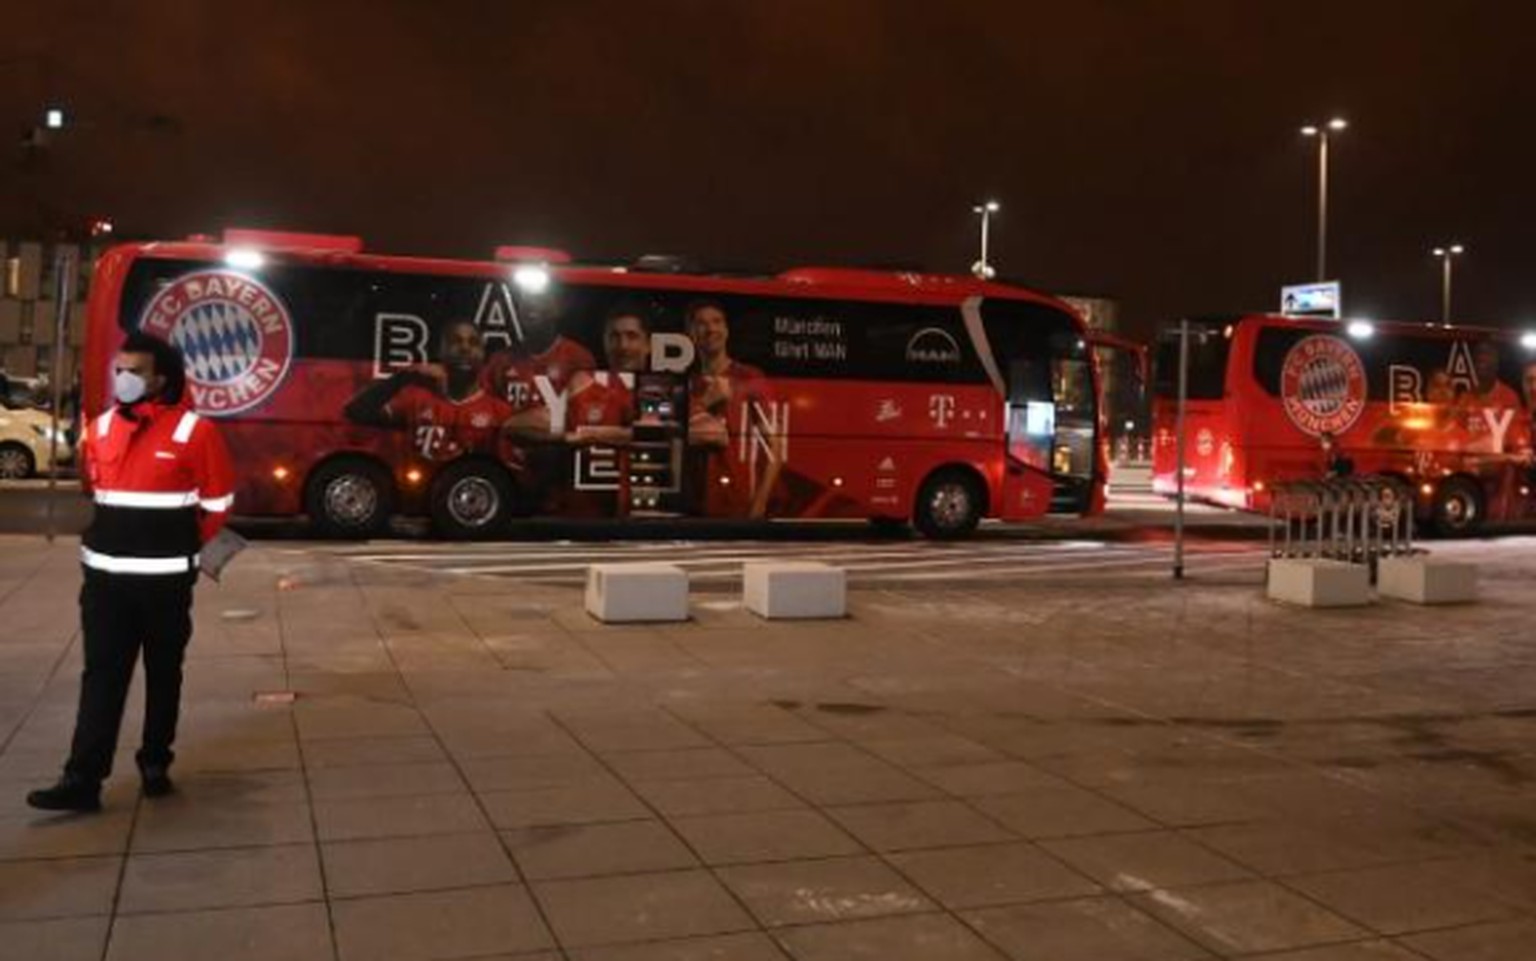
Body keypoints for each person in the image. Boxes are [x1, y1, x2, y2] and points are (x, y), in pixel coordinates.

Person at [27, 332, 234, 812]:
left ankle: (155, 761)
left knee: (164, 673)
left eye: (134, 371)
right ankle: (82, 779)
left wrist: (182, 545)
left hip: (165, 585)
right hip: (105, 586)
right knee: (102, 676)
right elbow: (96, 492)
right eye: (119, 370)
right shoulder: (99, 428)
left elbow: (218, 503)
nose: (123, 378)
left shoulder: (195, 432)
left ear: (161, 379)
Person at [344, 319, 510, 460]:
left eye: (473, 343)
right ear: (441, 351)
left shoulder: (500, 412)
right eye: (455, 341)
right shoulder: (416, 398)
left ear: (483, 354)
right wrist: (405, 375)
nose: (464, 348)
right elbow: (355, 411)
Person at [683, 299, 780, 517]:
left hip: (739, 501)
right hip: (697, 505)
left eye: (717, 322)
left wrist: (760, 502)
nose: (710, 329)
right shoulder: (688, 383)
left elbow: (774, 447)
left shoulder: (750, 377)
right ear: (691, 333)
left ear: (726, 330)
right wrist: (706, 402)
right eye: (701, 323)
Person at [565, 304, 651, 445]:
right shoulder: (582, 386)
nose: (623, 346)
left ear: (648, 344)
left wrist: (592, 434)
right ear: (605, 342)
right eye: (614, 337)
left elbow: (659, 434)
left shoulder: (664, 387)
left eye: (632, 336)